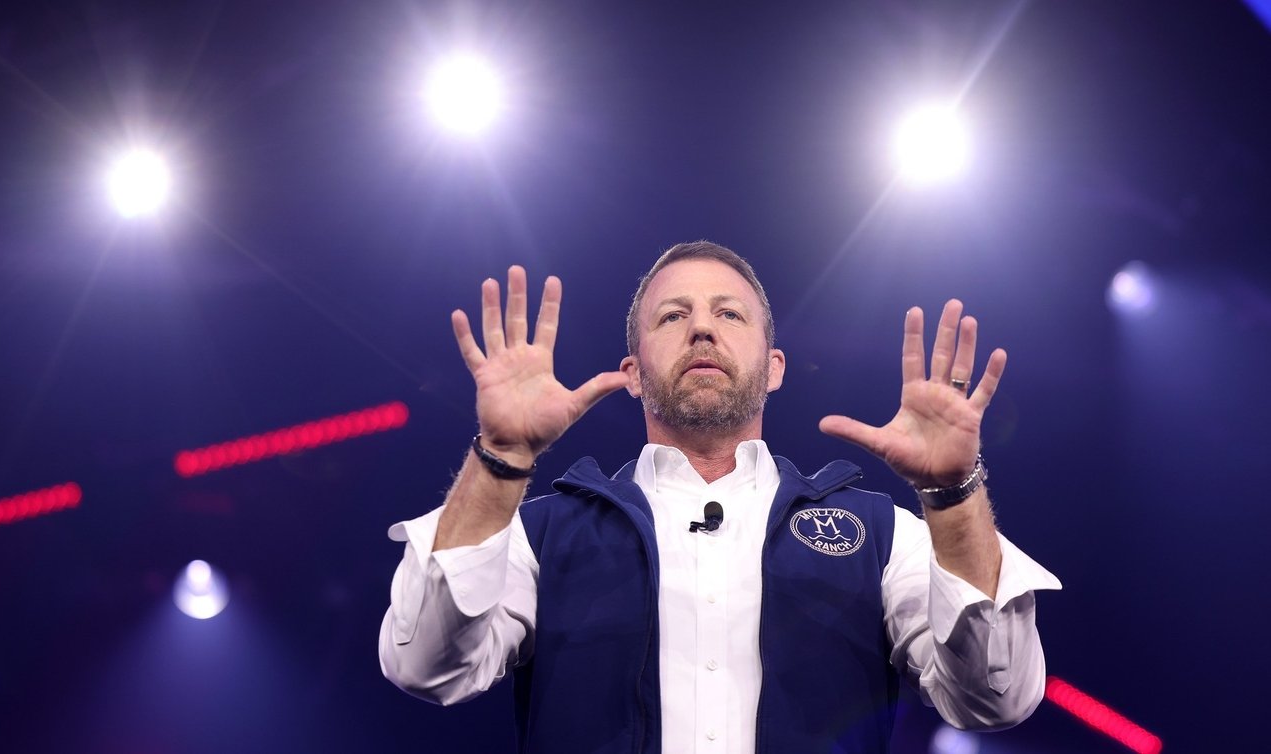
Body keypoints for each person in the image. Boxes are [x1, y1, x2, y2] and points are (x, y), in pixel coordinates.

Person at [379, 241, 1060, 754]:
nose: (702, 329)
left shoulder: (880, 535)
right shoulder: (540, 532)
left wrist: (951, 495)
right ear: (632, 374)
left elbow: (994, 699)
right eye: (673, 316)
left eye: (728, 314)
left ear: (773, 369)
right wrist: (501, 459)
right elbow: (427, 667)